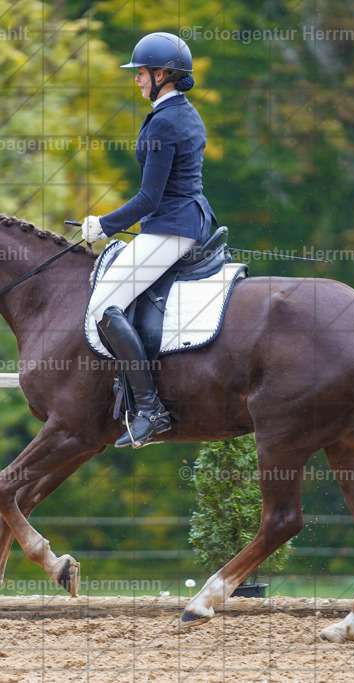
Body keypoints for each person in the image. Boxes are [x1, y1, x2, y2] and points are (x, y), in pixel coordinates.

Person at [82, 31, 218, 449]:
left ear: (162, 75)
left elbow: (149, 198)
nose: (137, 79)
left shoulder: (164, 121)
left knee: (104, 307)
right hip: (182, 220)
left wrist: (103, 224)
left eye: (141, 72)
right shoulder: (182, 112)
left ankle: (150, 410)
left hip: (170, 227)